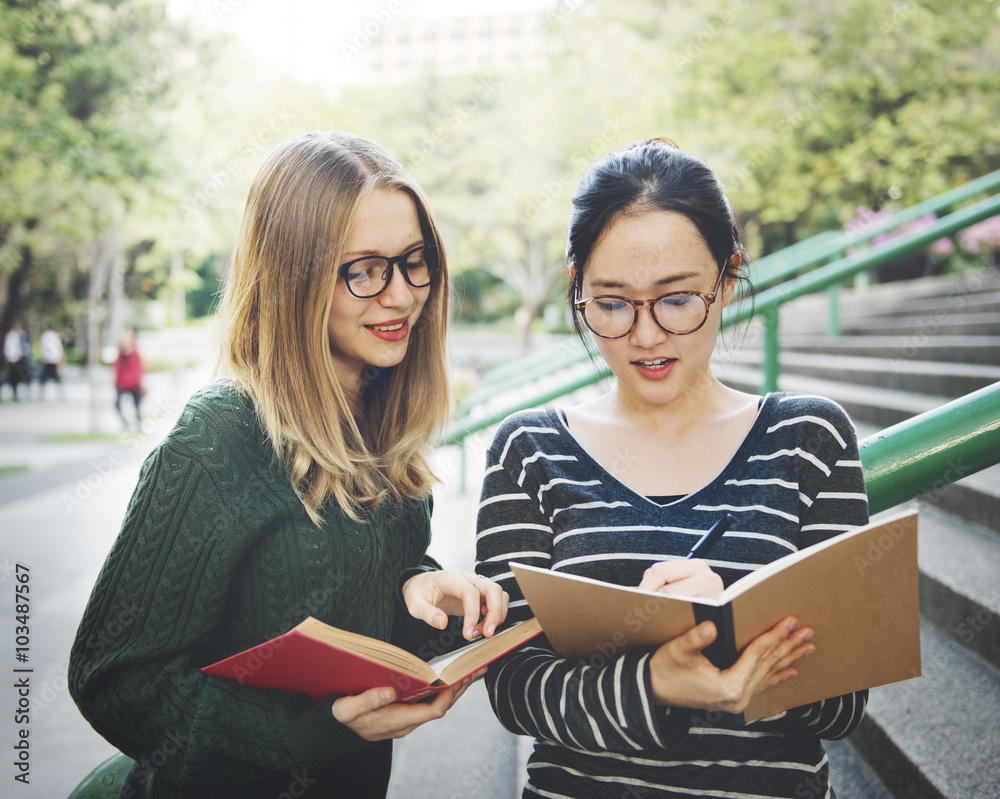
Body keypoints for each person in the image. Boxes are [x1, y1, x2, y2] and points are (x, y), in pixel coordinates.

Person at [69, 130, 508, 799]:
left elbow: (339, 607)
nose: (400, 295)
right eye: (365, 269)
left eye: (415, 260)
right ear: (294, 276)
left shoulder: (385, 420)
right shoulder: (220, 433)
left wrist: (418, 590)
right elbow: (115, 678)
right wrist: (309, 733)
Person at [475, 138, 869, 798]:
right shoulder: (529, 450)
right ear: (579, 291)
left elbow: (844, 701)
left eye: (677, 298)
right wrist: (654, 679)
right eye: (612, 302)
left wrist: (728, 635)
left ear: (727, 278)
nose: (647, 335)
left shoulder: (811, 438)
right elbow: (514, 688)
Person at [112, 326, 144, 428]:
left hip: (134, 384)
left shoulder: (135, 353)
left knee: (136, 406)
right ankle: (126, 424)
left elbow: (139, 370)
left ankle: (139, 426)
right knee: (117, 404)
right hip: (121, 384)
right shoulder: (120, 353)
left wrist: (132, 381)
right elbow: (116, 368)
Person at [3, 321, 31, 400]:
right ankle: (14, 392)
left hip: (17, 360)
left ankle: (18, 392)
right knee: (13, 377)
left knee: (19, 377)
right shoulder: (10, 336)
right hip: (12, 360)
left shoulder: (18, 335)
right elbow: (9, 350)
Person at [39, 323, 66, 399]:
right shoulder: (51, 336)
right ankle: (59, 394)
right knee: (48, 378)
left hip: (50, 360)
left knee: (48, 378)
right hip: (51, 360)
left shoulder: (47, 336)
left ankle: (43, 394)